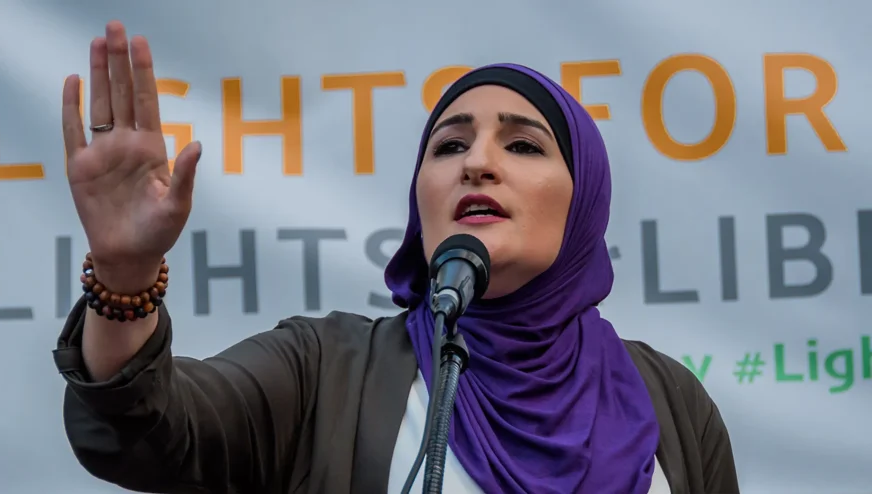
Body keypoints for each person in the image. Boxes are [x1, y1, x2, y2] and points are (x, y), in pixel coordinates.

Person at [53, 20, 740, 494]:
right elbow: (144, 429)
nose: (477, 163)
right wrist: (124, 275)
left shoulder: (670, 402)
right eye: (449, 145)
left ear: (584, 201)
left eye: (523, 145)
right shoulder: (324, 373)